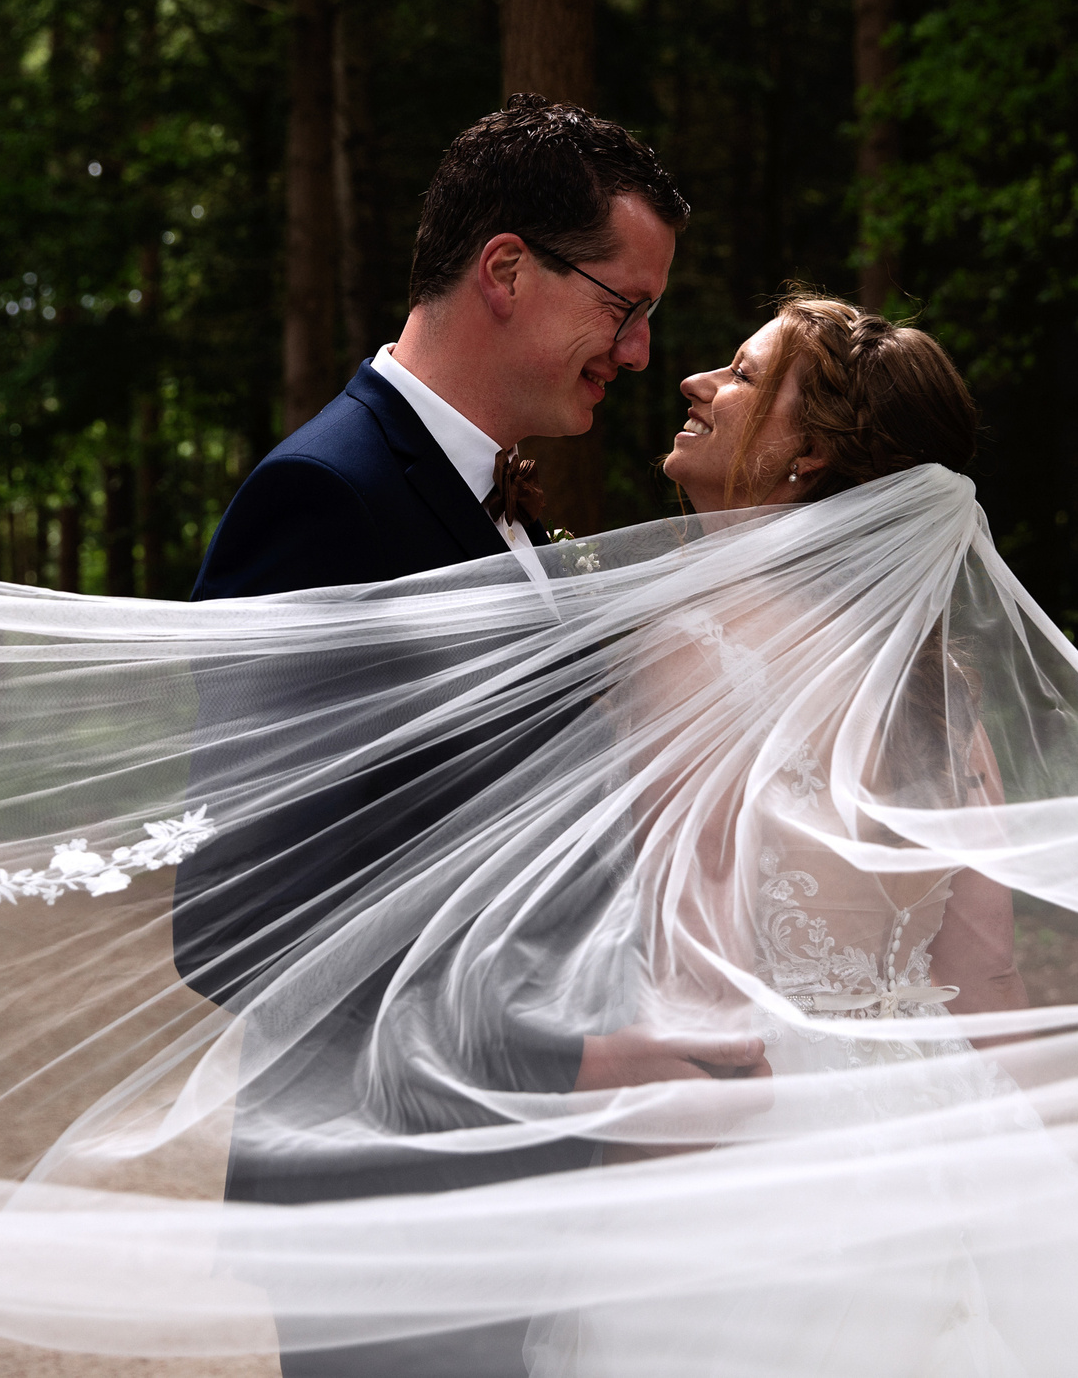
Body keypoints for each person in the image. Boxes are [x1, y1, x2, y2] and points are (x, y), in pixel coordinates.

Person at [522, 291, 1078, 1377]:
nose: (696, 382)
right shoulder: (939, 686)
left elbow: (697, 976)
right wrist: (1024, 1185)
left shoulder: (694, 648)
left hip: (773, 1152)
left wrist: (612, 1184)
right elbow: (988, 979)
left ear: (810, 458)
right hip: (948, 1122)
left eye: (741, 376)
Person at [173, 94, 765, 1378]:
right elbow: (234, 921)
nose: (644, 349)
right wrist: (570, 1062)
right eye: (624, 305)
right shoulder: (324, 502)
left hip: (513, 1203)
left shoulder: (489, 499)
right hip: (388, 1217)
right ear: (507, 268)